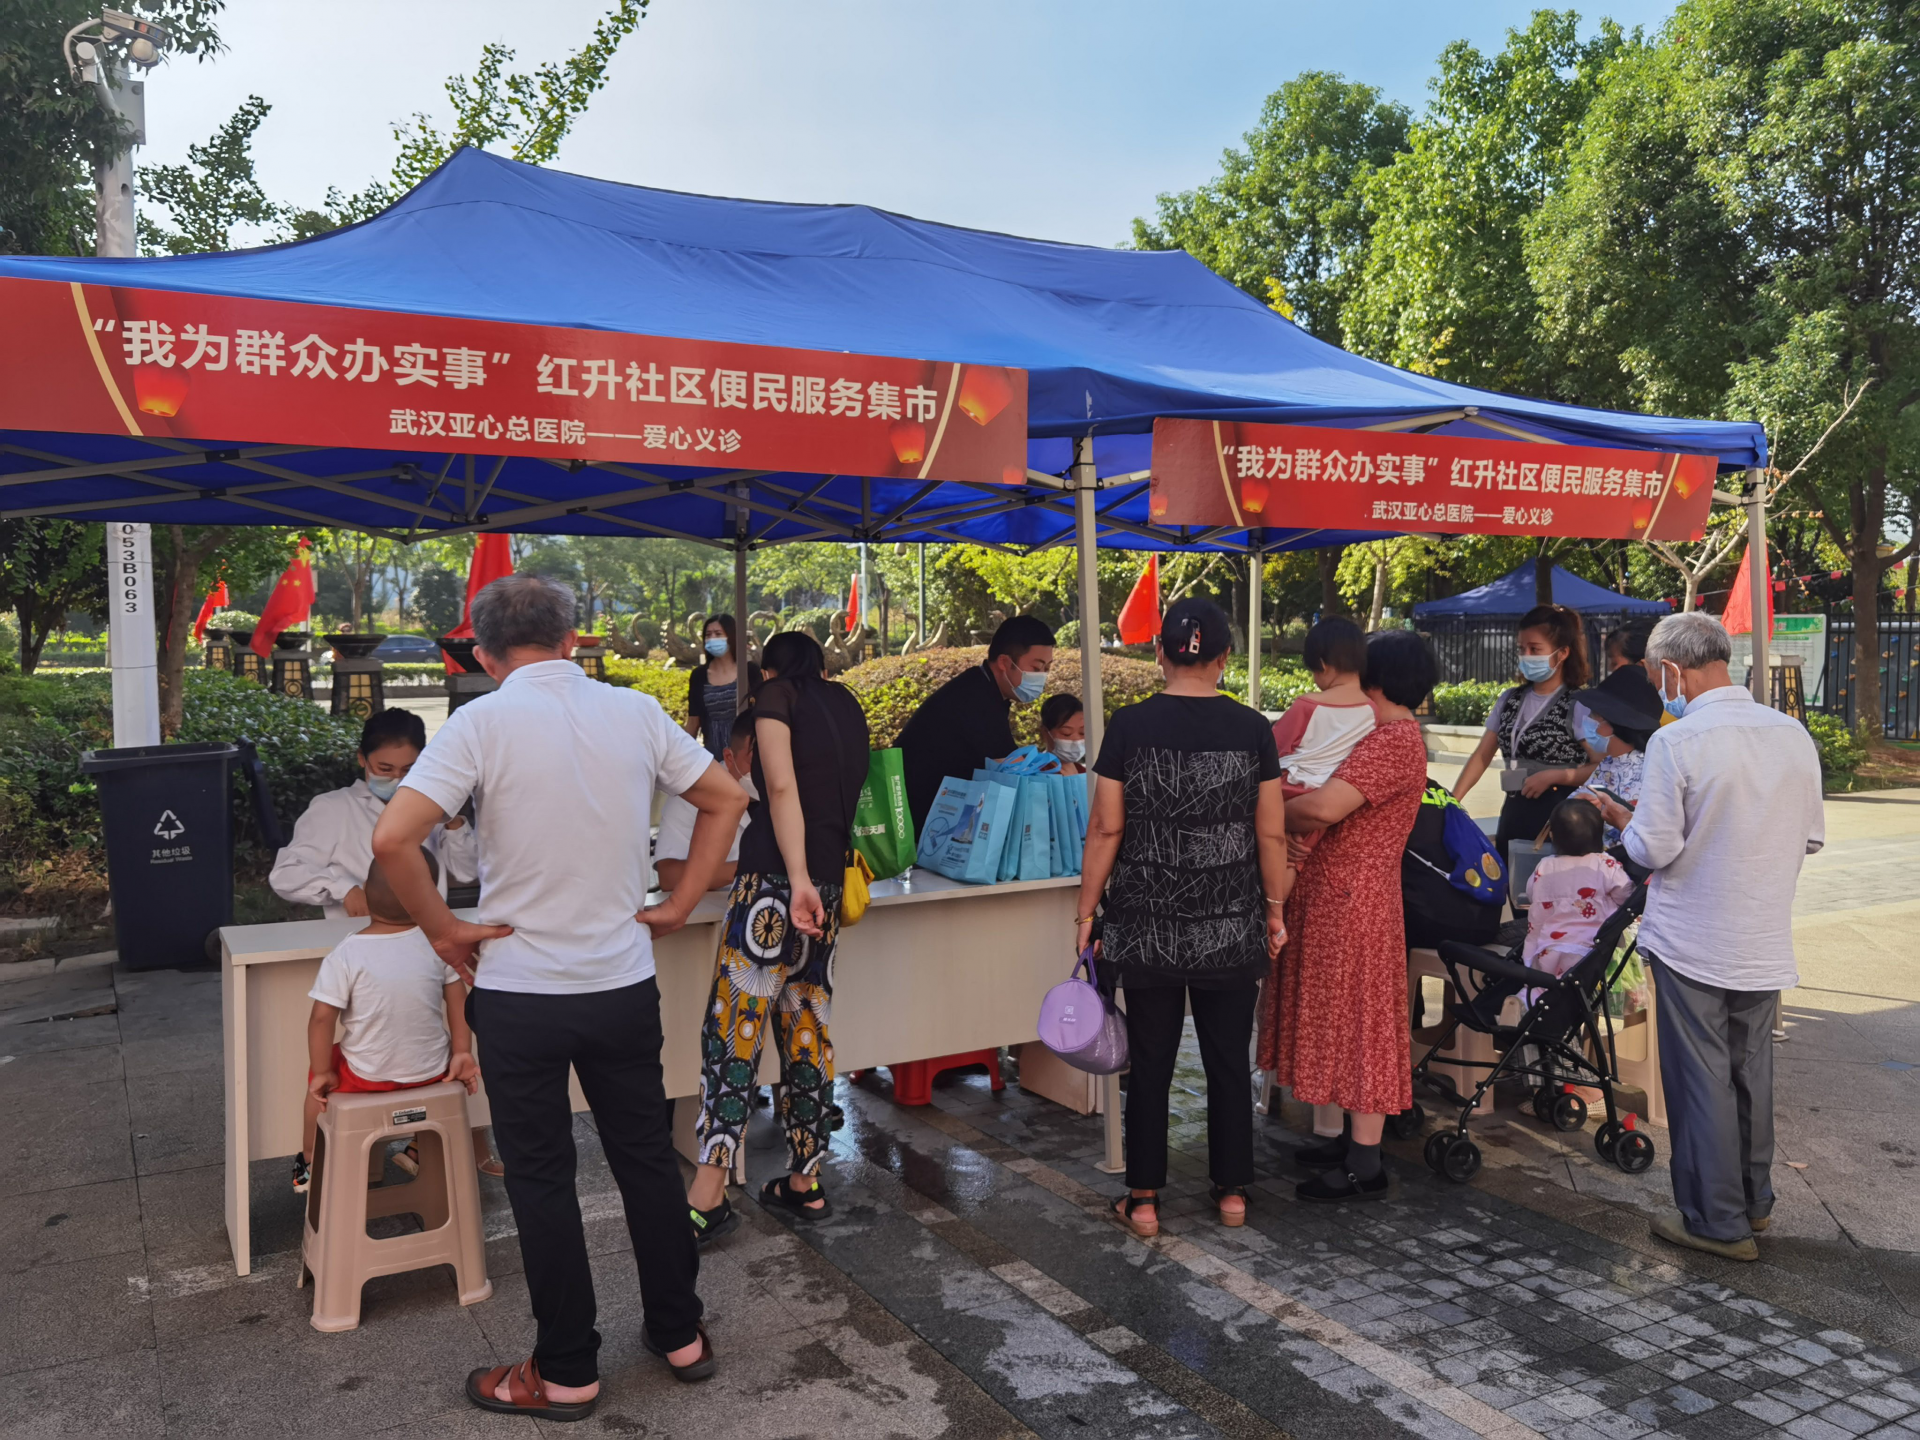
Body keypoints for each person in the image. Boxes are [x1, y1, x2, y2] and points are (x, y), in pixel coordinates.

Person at [372, 573, 750, 1418]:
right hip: (620, 984)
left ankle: (569, 1369)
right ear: (574, 641)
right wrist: (682, 904)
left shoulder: (479, 723)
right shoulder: (635, 713)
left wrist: (441, 930)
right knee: (648, 1159)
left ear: (480, 652)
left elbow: (393, 837)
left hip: (520, 991)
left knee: (542, 1179)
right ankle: (679, 1333)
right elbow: (726, 797)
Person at [1076, 599, 1287, 1238]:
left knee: (1152, 1060)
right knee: (1227, 1058)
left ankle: (1143, 1199)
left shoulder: (1129, 726)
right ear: (1225, 658)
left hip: (1145, 924)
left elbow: (1107, 826)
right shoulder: (1254, 729)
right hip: (1230, 924)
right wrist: (1274, 912)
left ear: (1160, 653)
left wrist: (1086, 911)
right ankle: (1231, 1195)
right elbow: (1270, 835)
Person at [1617, 612, 1823, 1263]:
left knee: (1700, 1078)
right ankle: (1755, 1203)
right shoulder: (1791, 734)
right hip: (1763, 936)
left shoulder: (1676, 742)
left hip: (1693, 939)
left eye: (1656, 676)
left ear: (1673, 668)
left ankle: (1716, 1221)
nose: (1658, 689)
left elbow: (1653, 845)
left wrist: (1625, 826)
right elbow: (1811, 836)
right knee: (1748, 1072)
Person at [685, 630, 869, 1243]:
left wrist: (792, 881)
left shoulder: (773, 701)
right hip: (828, 882)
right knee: (806, 1027)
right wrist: (812, 881)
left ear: (767, 672)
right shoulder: (848, 704)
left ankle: (708, 1193)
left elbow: (782, 789)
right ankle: (805, 1179)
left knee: (735, 1027)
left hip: (775, 881)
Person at [1259, 629, 1436, 1203]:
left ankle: (1365, 1163)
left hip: (1354, 904)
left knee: (1360, 1027)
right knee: (1343, 1021)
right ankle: (1351, 1148)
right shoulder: (1387, 734)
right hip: (1344, 899)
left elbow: (1325, 807)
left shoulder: (1394, 741)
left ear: (1373, 678)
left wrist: (1264, 806)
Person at [295, 851, 482, 1194]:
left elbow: (321, 1019)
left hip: (367, 1077)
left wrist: (322, 1071)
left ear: (365, 891)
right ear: (428, 898)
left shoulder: (347, 954)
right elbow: (459, 1003)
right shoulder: (437, 946)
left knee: (316, 1087)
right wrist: (462, 1053)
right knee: (433, 1071)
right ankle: (417, 1147)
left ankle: (309, 1162)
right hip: (433, 1073)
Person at [270, 708, 477, 918]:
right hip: (358, 934)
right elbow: (285, 874)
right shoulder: (334, 809)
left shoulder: (431, 807)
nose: (397, 778)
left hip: (429, 934)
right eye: (385, 769)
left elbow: (467, 872)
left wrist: (454, 823)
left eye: (409, 769)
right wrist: (343, 889)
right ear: (362, 759)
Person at [1451, 603, 1597, 866]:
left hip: (1562, 819)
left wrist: (1558, 776)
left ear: (1562, 653)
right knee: (1517, 896)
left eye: (1535, 649)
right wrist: (1452, 801)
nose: (1526, 656)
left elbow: (1601, 766)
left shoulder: (1579, 704)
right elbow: (1482, 756)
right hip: (1515, 812)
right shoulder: (1510, 699)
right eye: (1522, 649)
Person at [898, 614, 1055, 831]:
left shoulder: (984, 687)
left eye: (1047, 668)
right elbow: (1011, 767)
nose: (1042, 677)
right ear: (1004, 662)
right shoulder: (975, 697)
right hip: (920, 825)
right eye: (1037, 668)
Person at [1524, 800, 1634, 982]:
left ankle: (1522, 1001)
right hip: (1589, 949)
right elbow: (1626, 895)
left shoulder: (1545, 866)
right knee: (1577, 992)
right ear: (1600, 836)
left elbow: (1532, 893)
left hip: (1547, 946)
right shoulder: (1605, 864)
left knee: (1545, 988)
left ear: (1552, 836)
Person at [654, 715, 756, 893]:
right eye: (755, 762)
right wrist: (752, 869)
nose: (767, 770)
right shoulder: (691, 796)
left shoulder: (796, 794)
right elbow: (669, 877)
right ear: (729, 757)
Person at [1568, 663, 1663, 847]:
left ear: (1614, 723)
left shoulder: (1653, 771)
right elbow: (1574, 804)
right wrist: (1582, 807)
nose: (1589, 720)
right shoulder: (1607, 764)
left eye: (1595, 715)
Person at [684, 615, 761, 761]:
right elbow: (693, 722)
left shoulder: (749, 671)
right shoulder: (699, 675)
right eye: (708, 634)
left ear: (731, 636)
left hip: (748, 757)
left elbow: (762, 714)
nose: (712, 638)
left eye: (718, 634)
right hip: (713, 758)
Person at [1037, 693, 1087, 774]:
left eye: (1082, 733)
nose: (1076, 740)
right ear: (1045, 732)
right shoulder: (1036, 772)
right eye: (1066, 733)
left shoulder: (1085, 773)